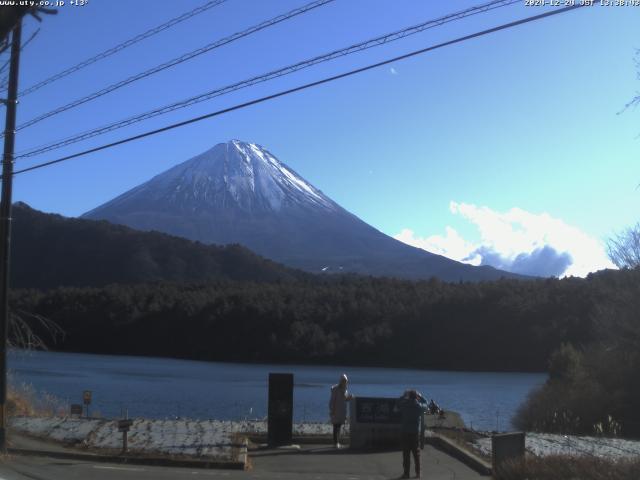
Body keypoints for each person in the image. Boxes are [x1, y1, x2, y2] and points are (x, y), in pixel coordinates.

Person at [398, 389, 428, 479]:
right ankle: (418, 474)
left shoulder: (404, 405)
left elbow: (398, 403)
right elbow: (426, 403)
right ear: (416, 397)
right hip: (415, 433)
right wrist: (421, 396)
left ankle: (406, 474)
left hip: (405, 432)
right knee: (416, 454)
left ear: (409, 396)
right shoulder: (419, 407)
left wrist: (403, 396)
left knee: (406, 454)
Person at [329, 373, 352, 448]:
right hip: (336, 411)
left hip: (341, 412)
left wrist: (350, 398)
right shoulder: (336, 389)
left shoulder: (345, 389)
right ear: (341, 381)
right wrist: (332, 410)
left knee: (338, 427)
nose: (345, 382)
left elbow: (345, 399)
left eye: (345, 381)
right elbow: (332, 401)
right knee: (336, 427)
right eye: (343, 380)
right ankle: (336, 443)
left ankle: (337, 442)